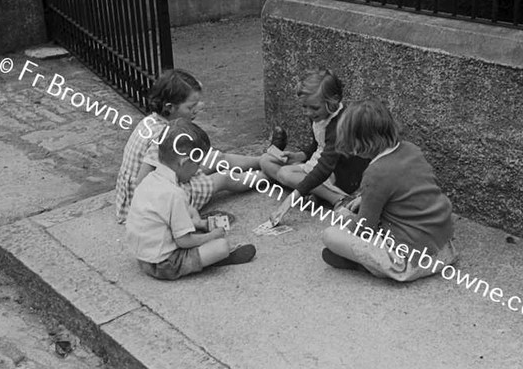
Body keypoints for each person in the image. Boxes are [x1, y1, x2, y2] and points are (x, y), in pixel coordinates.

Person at [321, 99, 458, 282]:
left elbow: (364, 229)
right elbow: (406, 187)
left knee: (330, 234)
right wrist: (365, 198)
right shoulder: (411, 149)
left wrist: (346, 219)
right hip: (444, 250)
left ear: (361, 141)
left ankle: (368, 265)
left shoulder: (375, 173)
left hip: (411, 262)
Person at [115, 69, 264, 224]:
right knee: (223, 177)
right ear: (170, 107)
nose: (197, 110)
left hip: (155, 185)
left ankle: (262, 160)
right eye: (191, 107)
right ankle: (269, 176)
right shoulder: (164, 136)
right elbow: (143, 183)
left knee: (217, 157)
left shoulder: (152, 121)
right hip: (149, 206)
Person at [126, 123, 256, 280]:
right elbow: (184, 241)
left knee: (192, 219)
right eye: (197, 164)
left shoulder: (149, 180)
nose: (199, 170)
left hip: (143, 258)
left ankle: (204, 245)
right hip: (164, 264)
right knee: (221, 247)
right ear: (184, 162)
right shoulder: (174, 194)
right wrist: (212, 236)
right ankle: (214, 259)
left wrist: (199, 224)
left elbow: (162, 217)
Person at [259, 69, 369, 225]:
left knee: (284, 173)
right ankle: (315, 193)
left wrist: (289, 200)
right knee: (265, 161)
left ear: (334, 101)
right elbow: (317, 144)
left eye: (314, 108)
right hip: (320, 165)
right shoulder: (320, 115)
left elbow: (324, 168)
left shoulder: (340, 125)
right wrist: (299, 156)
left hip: (341, 174)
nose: (308, 113)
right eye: (304, 107)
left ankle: (340, 199)